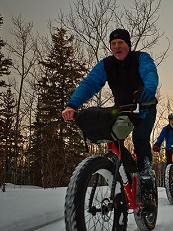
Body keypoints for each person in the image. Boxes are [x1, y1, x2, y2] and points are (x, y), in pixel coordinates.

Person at [61, 28, 158, 198]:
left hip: (144, 107)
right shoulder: (106, 64)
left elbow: (150, 73)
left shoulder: (141, 58)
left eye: (120, 43)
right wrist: (72, 105)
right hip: (121, 109)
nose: (117, 46)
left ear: (128, 44)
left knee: (140, 138)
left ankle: (146, 179)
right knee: (113, 136)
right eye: (113, 44)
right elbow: (90, 83)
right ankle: (126, 173)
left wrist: (147, 91)